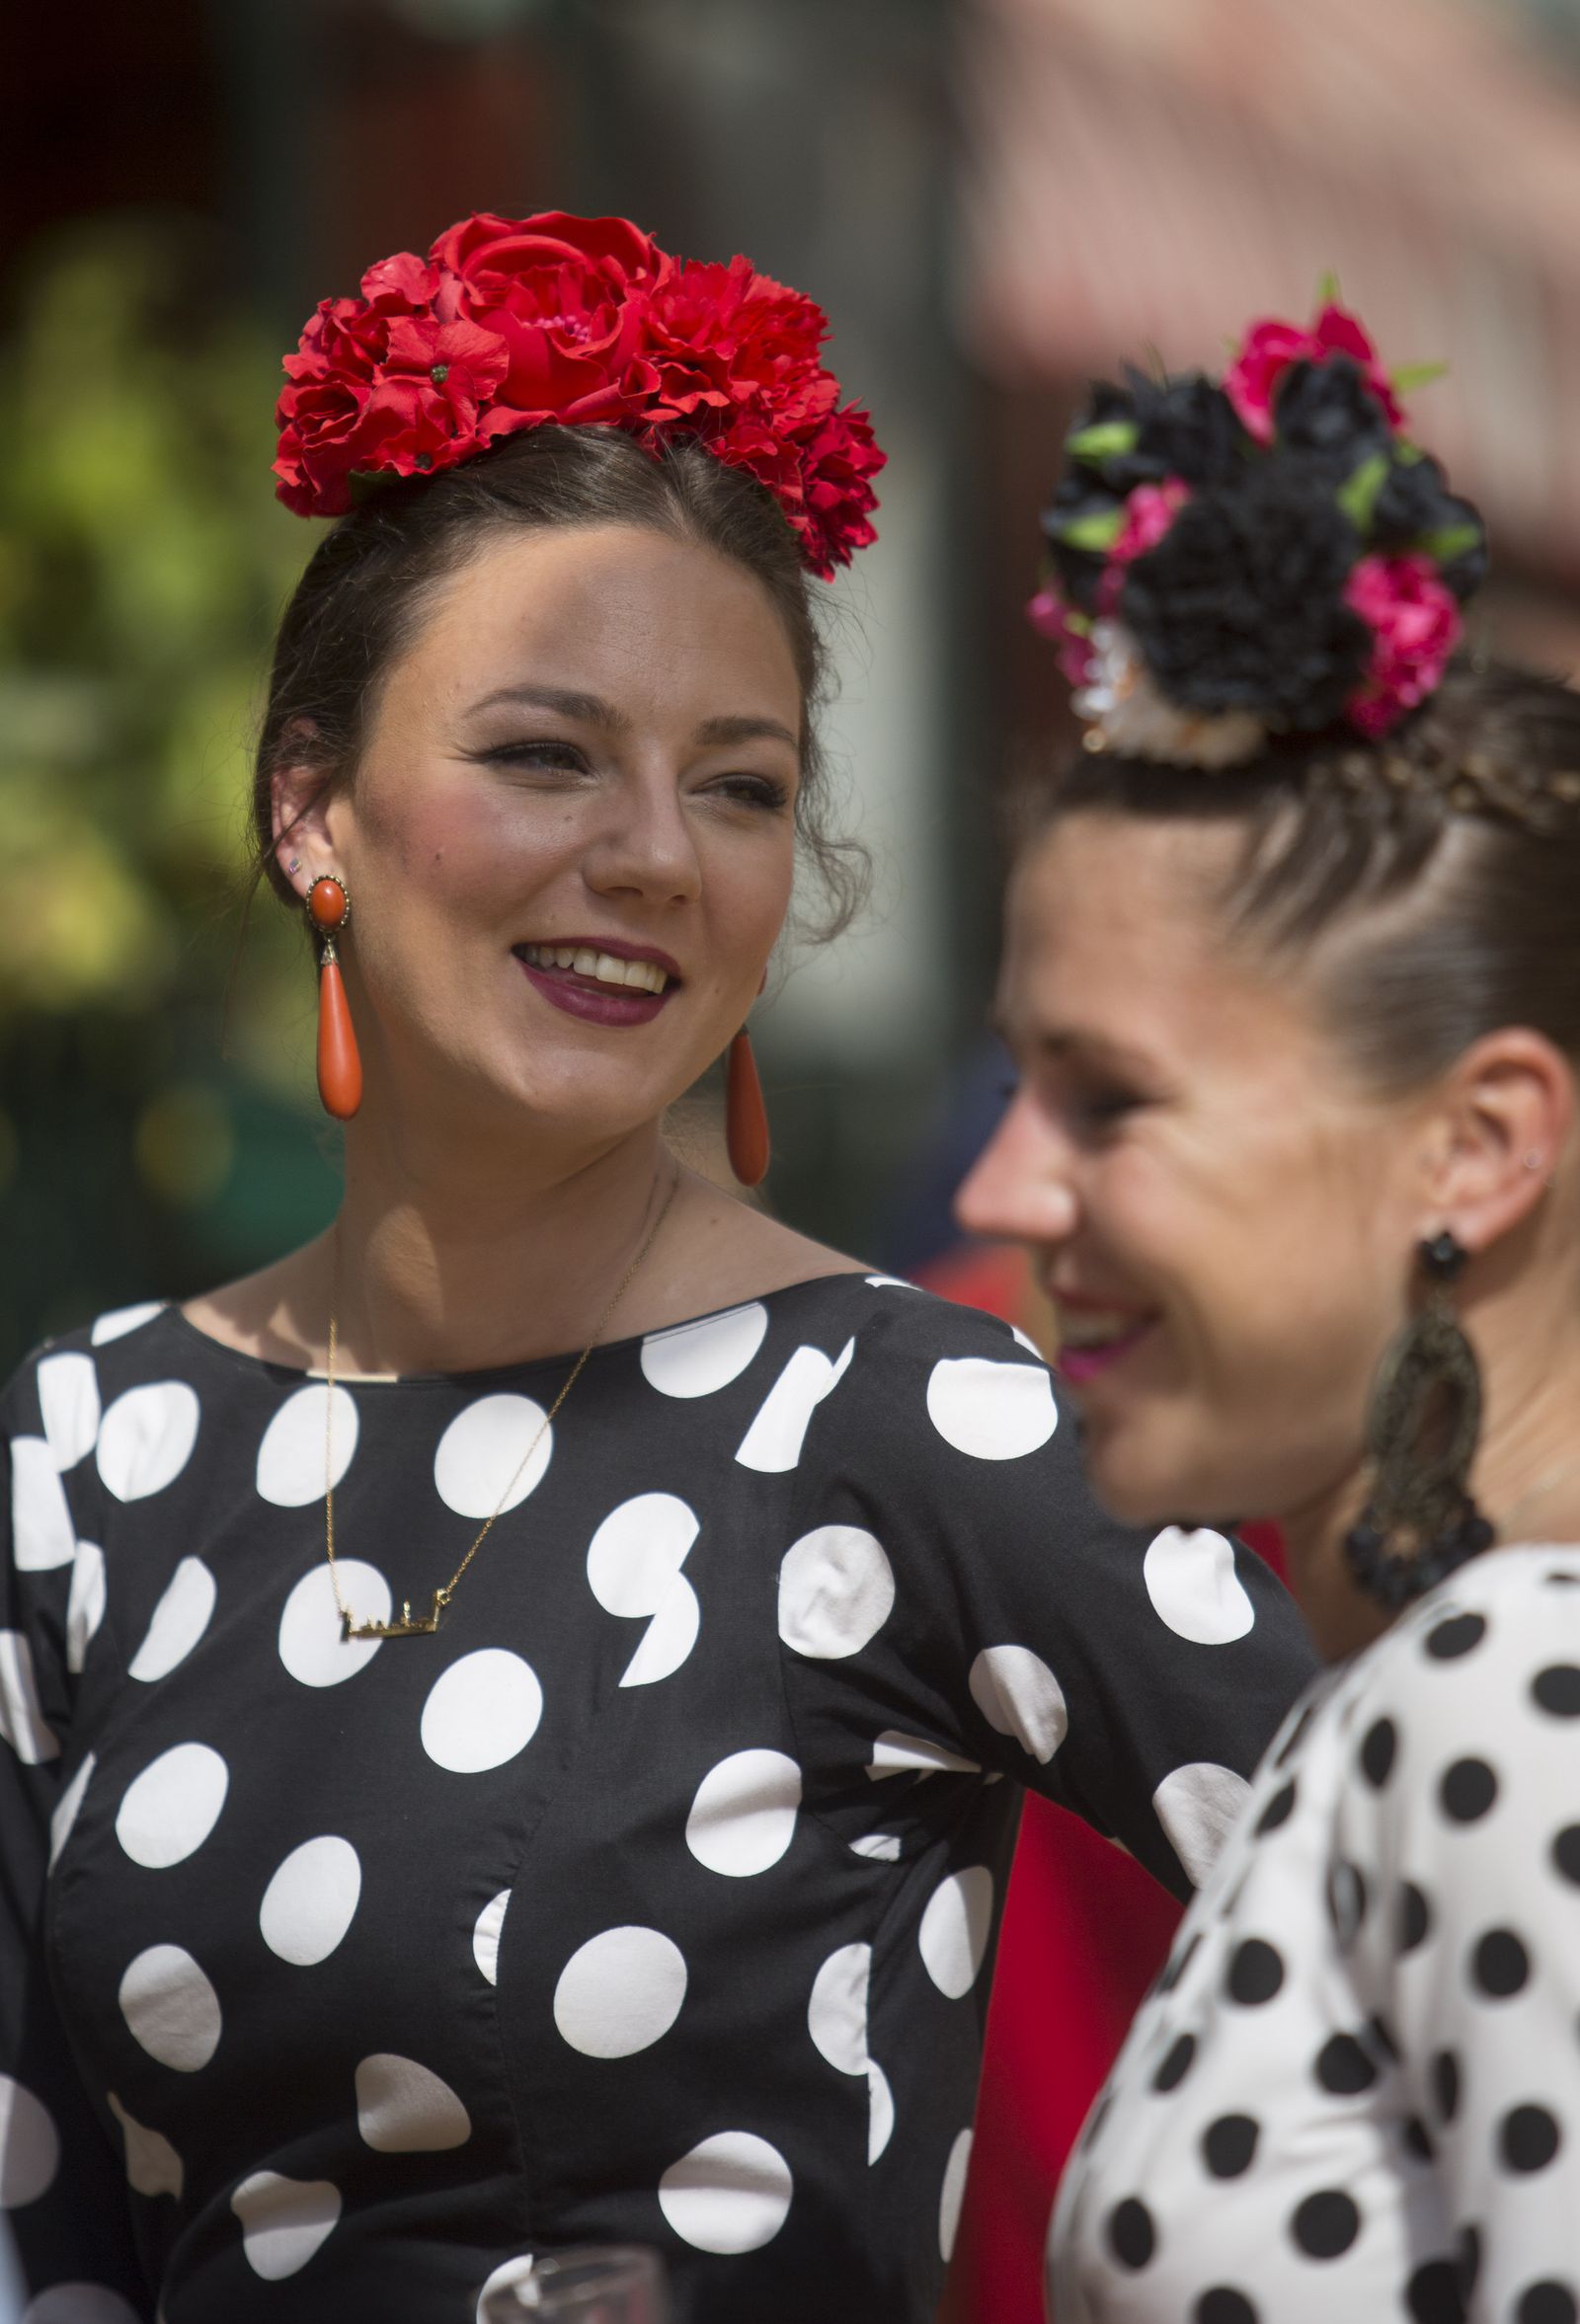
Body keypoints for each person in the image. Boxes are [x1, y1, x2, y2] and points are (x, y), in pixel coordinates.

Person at [0, 212, 1314, 2324]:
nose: (648, 853)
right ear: (309, 805)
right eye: (542, 752)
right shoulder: (75, 1460)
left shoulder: (911, 1422)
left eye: (740, 787)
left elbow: (1455, 1931)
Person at [958, 293, 1580, 2321]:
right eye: (1014, 1085)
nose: (997, 1188)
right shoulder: (1436, 1683)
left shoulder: (1499, 1692)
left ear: (1475, 1146)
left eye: (1105, 1101)